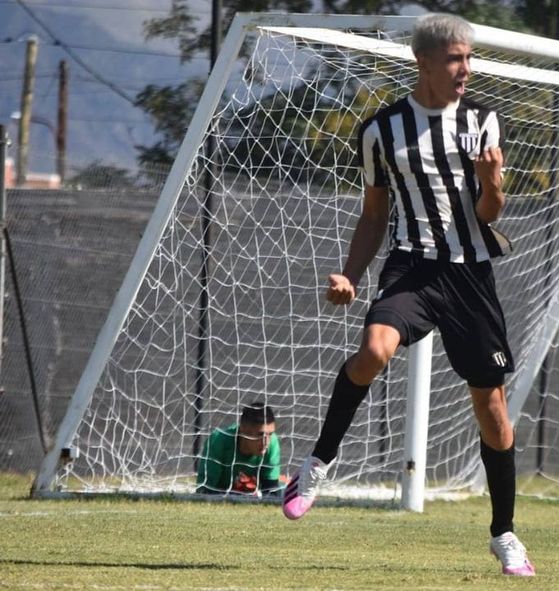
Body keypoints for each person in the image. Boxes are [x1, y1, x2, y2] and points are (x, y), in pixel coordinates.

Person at [281, 13, 534, 577]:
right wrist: (350, 273)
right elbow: (374, 216)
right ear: (423, 61)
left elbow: (489, 213)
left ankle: (504, 533)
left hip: (469, 276)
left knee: (492, 409)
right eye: (455, 59)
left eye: (469, 58)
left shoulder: (483, 122)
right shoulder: (381, 130)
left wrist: (493, 183)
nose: (466, 69)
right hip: (410, 268)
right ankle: (317, 463)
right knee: (374, 350)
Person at [197, 403, 283, 497]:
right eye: (260, 435)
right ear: (243, 430)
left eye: (270, 434)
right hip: (221, 496)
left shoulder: (272, 443)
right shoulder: (218, 441)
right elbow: (204, 492)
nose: (266, 441)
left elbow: (272, 492)